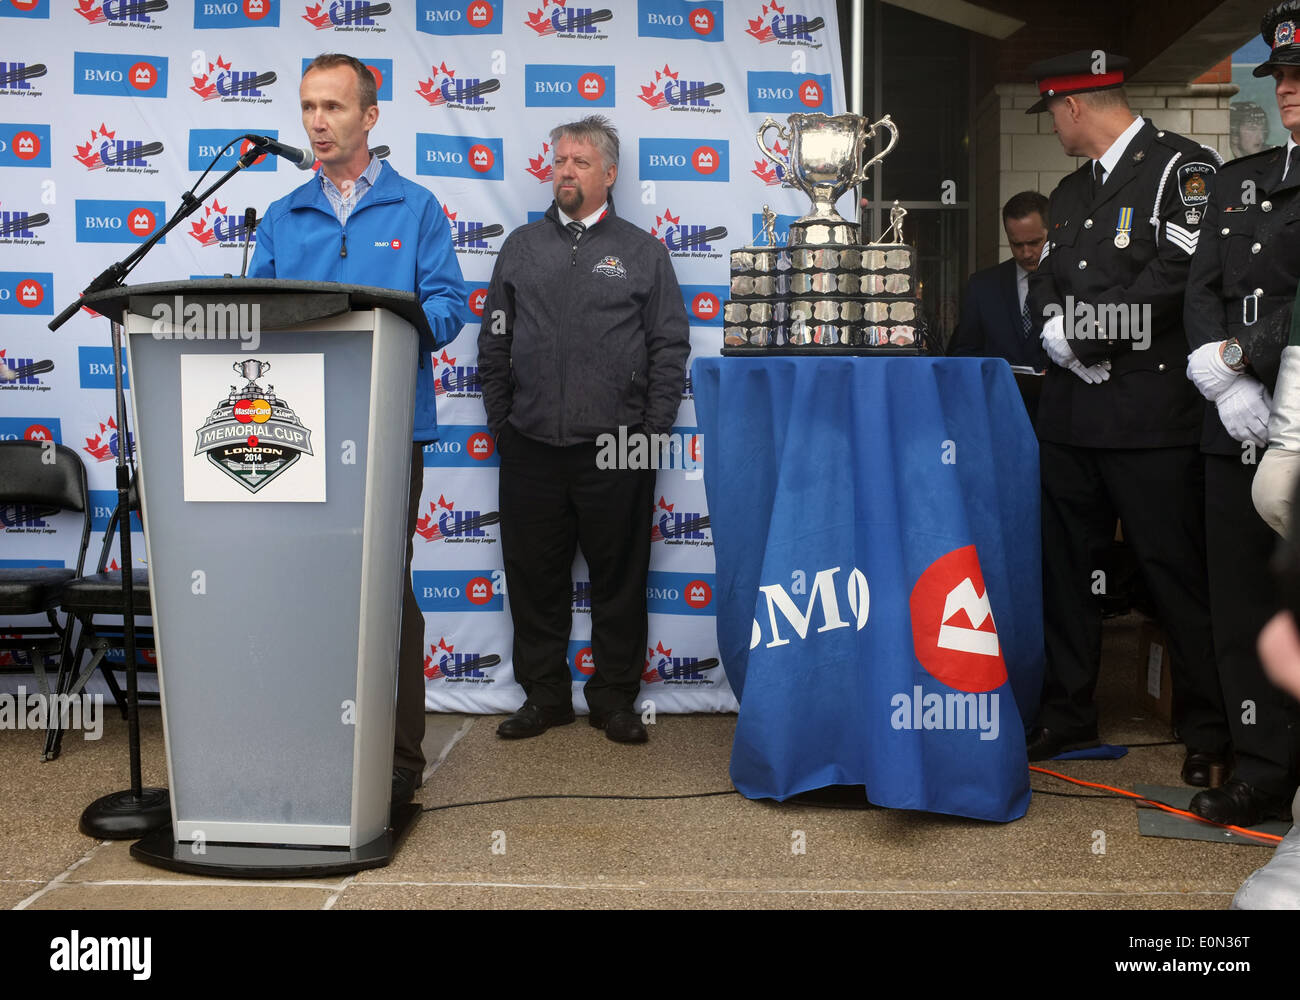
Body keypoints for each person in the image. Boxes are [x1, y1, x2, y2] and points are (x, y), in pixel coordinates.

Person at [248, 53, 469, 806]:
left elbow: (447, 308)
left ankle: (400, 760)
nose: (316, 121)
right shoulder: (283, 213)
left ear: (369, 117)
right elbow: (250, 316)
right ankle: (308, 745)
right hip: (295, 437)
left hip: (385, 431)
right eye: (309, 106)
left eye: (334, 107)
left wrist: (386, 317)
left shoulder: (417, 209)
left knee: (383, 587)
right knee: (303, 586)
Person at [1021, 51, 1230, 781]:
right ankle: (1068, 712)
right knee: (1067, 574)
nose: (1052, 125)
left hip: (1149, 419)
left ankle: (1211, 727)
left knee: (1172, 573)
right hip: (1073, 419)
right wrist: (1053, 330)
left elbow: (1178, 273)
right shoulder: (1073, 190)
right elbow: (1043, 279)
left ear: (1076, 106)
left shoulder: (1183, 169)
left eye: (1051, 111)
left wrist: (1088, 332)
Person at [477, 115, 690, 744]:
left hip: (619, 446)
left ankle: (615, 701)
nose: (564, 171)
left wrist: (650, 433)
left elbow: (668, 348)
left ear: (609, 173)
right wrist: (503, 423)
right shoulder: (520, 246)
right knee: (533, 578)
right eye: (559, 161)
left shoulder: (644, 251)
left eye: (579, 162)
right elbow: (494, 341)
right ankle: (544, 698)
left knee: (619, 581)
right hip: (532, 445)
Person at [1182, 1, 1300, 827]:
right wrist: (1227, 388)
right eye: (1283, 77)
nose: (1290, 92)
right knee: (1241, 602)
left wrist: (1247, 362)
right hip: (1236, 432)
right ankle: (1260, 766)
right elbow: (1203, 289)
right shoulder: (1242, 181)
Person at [947, 190, 1051, 374]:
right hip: (998, 397)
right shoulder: (982, 287)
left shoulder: (1073, 280)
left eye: (1034, 242)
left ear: (1051, 233)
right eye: (1017, 244)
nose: (1026, 253)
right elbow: (964, 353)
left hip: (1056, 398)